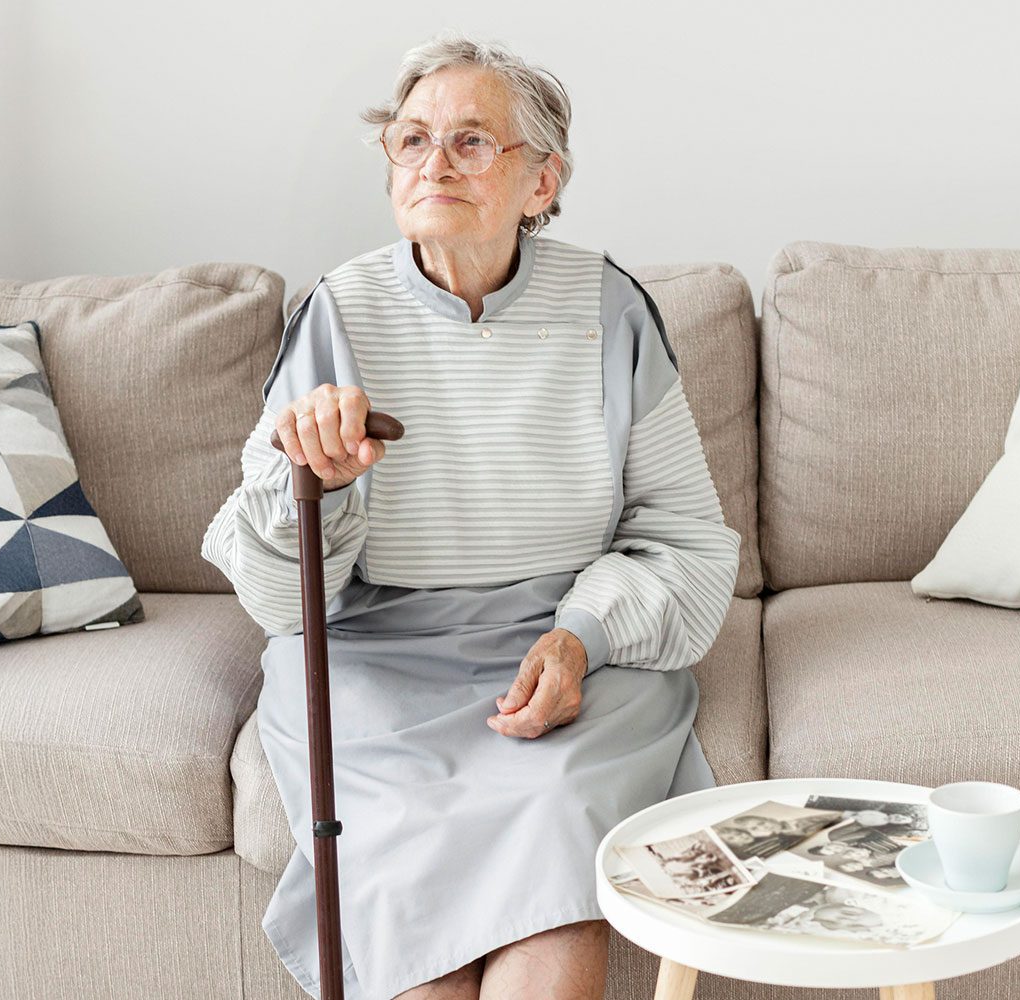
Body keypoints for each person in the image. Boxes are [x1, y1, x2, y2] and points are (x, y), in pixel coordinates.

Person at [200, 30, 741, 1000]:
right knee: (418, 915)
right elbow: (282, 603)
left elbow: (683, 538)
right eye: (411, 140)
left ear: (542, 181)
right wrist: (316, 485)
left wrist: (579, 640)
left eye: (471, 141)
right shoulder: (338, 312)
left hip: (561, 648)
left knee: (556, 857)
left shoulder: (610, 307)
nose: (434, 164)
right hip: (374, 660)